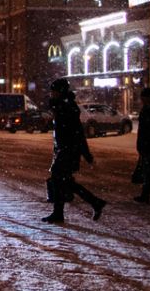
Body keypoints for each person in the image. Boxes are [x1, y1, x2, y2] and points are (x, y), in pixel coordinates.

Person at [43, 78, 106, 224]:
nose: (51, 94)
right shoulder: (61, 106)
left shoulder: (67, 108)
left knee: (59, 179)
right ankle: (95, 202)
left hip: (69, 150)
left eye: (54, 91)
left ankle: (59, 213)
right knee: (64, 181)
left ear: (60, 92)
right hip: (65, 150)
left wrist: (86, 154)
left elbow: (77, 133)